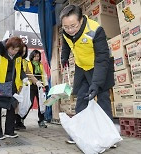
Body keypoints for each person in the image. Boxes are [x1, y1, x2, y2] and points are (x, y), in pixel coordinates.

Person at [60, 5, 114, 143]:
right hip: (82, 67)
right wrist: (64, 57)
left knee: (103, 100)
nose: (70, 30)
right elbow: (66, 43)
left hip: (100, 67)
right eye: (66, 27)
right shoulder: (66, 32)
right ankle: (79, 133)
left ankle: (108, 137)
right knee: (81, 99)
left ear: (81, 20)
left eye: (73, 26)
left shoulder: (95, 30)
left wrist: (96, 84)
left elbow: (103, 58)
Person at [0, 37, 28, 140]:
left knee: (12, 108)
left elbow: (20, 70)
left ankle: (9, 131)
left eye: (17, 50)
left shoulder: (18, 57)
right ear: (8, 46)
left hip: (12, 87)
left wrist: (24, 78)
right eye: (12, 49)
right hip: (0, 85)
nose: (14, 52)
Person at [15, 44, 43, 130]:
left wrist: (38, 82)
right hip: (17, 85)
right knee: (17, 104)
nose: (23, 53)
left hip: (24, 86)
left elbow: (28, 73)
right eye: (21, 51)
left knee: (23, 104)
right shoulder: (15, 59)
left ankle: (18, 122)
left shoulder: (25, 62)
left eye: (24, 51)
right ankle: (15, 123)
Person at [19, 49, 49, 128]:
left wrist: (45, 85)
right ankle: (21, 118)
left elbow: (44, 75)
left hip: (39, 86)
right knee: (29, 103)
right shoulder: (28, 64)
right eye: (35, 56)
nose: (36, 58)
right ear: (32, 56)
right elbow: (28, 74)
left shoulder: (40, 65)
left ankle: (41, 120)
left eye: (38, 56)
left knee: (42, 103)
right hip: (31, 85)